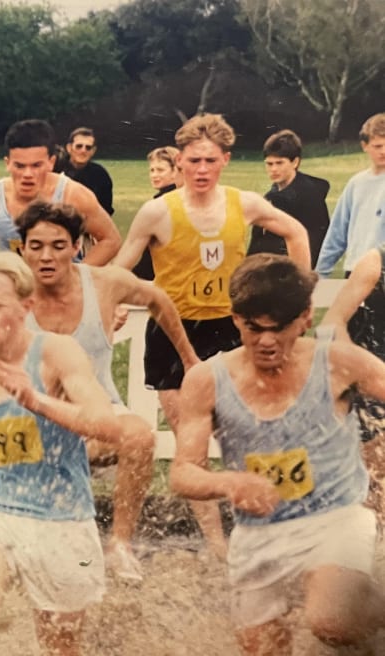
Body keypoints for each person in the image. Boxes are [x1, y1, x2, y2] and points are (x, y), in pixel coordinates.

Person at [0, 201, 197, 580]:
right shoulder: (9, 295)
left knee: (139, 436)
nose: (46, 256)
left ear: (77, 246)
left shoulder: (105, 282)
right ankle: (13, 545)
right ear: (22, 248)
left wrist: (189, 358)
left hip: (94, 415)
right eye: (36, 246)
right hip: (25, 420)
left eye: (57, 245)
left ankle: (120, 543)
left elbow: (159, 299)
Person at [113, 113, 311, 558]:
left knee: (250, 430)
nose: (200, 170)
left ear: (224, 160)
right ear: (179, 161)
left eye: (209, 161)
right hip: (173, 332)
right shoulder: (157, 211)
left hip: (230, 329)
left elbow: (296, 231)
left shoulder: (244, 204)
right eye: (192, 161)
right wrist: (109, 309)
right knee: (191, 443)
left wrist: (299, 295)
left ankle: (269, 528)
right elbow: (120, 267)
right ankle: (218, 546)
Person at [171, 253, 385, 654]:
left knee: (332, 620)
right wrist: (228, 481)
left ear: (305, 317)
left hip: (334, 518)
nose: (266, 341)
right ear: (235, 318)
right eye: (253, 328)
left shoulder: (339, 363)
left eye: (279, 329)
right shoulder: (207, 381)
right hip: (259, 535)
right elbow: (182, 472)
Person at [0, 251, 123, 654]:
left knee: (60, 647)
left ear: (26, 307)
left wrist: (37, 401)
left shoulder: (56, 354)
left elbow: (105, 425)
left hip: (62, 517)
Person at [0, 119, 121, 266]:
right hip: (17, 290)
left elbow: (111, 239)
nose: (27, 175)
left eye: (36, 165)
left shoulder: (74, 196)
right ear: (7, 163)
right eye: (20, 166)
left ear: (51, 163)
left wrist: (77, 275)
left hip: (63, 294)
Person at [319, 244, 385, 521]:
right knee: (376, 483)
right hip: (367, 379)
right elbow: (332, 323)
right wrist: (355, 369)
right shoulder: (376, 262)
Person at [316, 113, 385, 278]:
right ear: (364, 146)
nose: (383, 151)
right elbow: (337, 233)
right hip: (355, 271)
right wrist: (321, 273)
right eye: (377, 146)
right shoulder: (356, 184)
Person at [248, 129, 330, 262]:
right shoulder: (269, 197)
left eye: (279, 163)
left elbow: (316, 241)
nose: (273, 169)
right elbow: (256, 243)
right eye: (269, 164)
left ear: (295, 162)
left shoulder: (310, 196)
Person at [132, 146, 182, 281]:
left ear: (175, 171)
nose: (154, 175)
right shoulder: (166, 199)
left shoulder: (165, 203)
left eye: (160, 170)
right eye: (152, 170)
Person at [59, 127, 113, 216]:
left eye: (88, 147)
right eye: (79, 146)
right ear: (69, 148)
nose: (83, 150)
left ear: (93, 151)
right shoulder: (56, 169)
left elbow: (106, 210)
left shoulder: (101, 175)